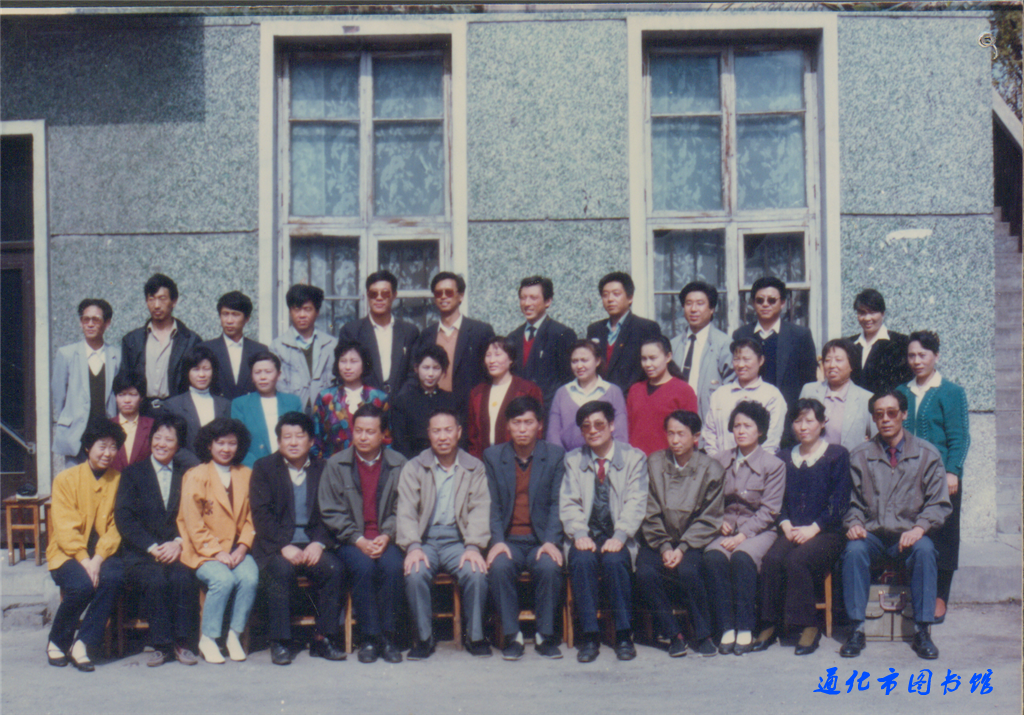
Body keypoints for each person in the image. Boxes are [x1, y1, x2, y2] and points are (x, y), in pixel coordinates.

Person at [839, 390, 950, 661]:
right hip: (873, 535)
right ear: (874, 419)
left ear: (904, 414)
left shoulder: (926, 454)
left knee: (925, 551)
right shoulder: (860, 455)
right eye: (879, 414)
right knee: (853, 550)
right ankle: (856, 629)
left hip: (909, 535)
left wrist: (919, 528)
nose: (885, 419)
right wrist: (854, 523)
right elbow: (850, 502)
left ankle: (922, 631)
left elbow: (938, 503)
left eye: (891, 413)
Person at [753, 399, 850, 656]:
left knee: (797, 561)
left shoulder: (837, 455)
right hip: (791, 528)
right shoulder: (784, 457)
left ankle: (809, 626)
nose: (803, 427)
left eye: (809, 421)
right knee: (772, 560)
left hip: (827, 532)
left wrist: (813, 528)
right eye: (797, 421)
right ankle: (769, 624)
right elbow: (776, 498)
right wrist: (785, 524)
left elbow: (839, 502)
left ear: (822, 423)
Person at [250, 411, 345, 665]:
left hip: (313, 541)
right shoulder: (264, 468)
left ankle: (323, 638)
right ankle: (280, 641)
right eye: (287, 437)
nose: (293, 442)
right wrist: (284, 546)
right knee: (280, 571)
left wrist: (319, 542)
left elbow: (332, 511)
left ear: (311, 441)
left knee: (334, 569)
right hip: (277, 544)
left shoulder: (323, 468)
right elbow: (261, 514)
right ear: (279, 441)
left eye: (299, 436)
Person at [396, 408, 492, 659]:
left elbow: (480, 509)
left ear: (458, 432)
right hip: (424, 539)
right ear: (428, 434)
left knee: (476, 572)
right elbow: (406, 510)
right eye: (436, 431)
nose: (442, 437)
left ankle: (475, 636)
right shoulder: (414, 467)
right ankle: (423, 639)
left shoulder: (474, 467)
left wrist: (473, 546)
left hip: (458, 540)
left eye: (448, 430)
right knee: (415, 573)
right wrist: (413, 546)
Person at [560, 401, 648, 663]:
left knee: (614, 561)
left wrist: (620, 535)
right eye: (586, 426)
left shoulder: (634, 458)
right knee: (582, 560)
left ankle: (623, 634)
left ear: (612, 426)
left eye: (599, 424)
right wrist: (579, 533)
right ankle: (589, 636)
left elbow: (636, 501)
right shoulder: (573, 460)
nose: (593, 430)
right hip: (585, 534)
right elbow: (569, 502)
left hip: (620, 534)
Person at [319, 404, 407, 664]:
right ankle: (369, 637)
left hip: (386, 537)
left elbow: (404, 507)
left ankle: (388, 637)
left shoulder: (399, 464)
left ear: (383, 435)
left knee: (393, 566)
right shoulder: (336, 464)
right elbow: (330, 510)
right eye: (358, 431)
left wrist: (387, 535)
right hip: (350, 539)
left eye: (370, 432)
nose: (363, 437)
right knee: (363, 567)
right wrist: (358, 539)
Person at [114, 413, 201, 667]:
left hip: (176, 548)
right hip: (142, 551)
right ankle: (161, 645)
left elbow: (192, 515)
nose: (162, 444)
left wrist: (178, 543)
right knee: (155, 580)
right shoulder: (133, 473)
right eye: (157, 438)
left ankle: (182, 643)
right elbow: (124, 517)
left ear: (179, 445)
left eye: (169, 439)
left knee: (183, 577)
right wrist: (151, 547)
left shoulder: (187, 474)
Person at [484, 396, 566, 660]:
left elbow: (557, 504)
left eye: (528, 423)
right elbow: (492, 505)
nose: (522, 429)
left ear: (539, 425)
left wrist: (551, 541)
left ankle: (545, 635)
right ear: (507, 425)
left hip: (540, 539)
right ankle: (512, 636)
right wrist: (497, 541)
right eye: (516, 422)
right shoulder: (493, 456)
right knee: (499, 566)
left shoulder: (554, 455)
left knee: (549, 567)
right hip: (509, 540)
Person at [637, 410, 724, 658]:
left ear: (696, 437)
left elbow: (710, 516)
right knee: (644, 573)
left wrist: (683, 547)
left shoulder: (711, 468)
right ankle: (673, 634)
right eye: (671, 434)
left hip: (692, 540)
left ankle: (704, 634)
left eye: (681, 434)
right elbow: (649, 510)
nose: (675, 440)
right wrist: (664, 546)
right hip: (658, 539)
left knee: (689, 571)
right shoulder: (654, 463)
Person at [897, 330, 970, 623]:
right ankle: (912, 592)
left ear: (936, 356)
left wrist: (953, 471)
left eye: (923, 355)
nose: (916, 361)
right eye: (912, 356)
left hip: (942, 477)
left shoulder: (951, 392)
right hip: (907, 476)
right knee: (913, 531)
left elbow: (960, 438)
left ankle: (940, 595)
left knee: (944, 535)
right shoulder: (901, 392)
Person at [702, 401, 785, 656]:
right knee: (713, 557)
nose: (740, 431)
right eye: (736, 425)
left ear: (760, 430)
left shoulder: (773, 465)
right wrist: (718, 521)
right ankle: (726, 627)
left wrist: (742, 535)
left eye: (747, 426)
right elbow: (708, 499)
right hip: (724, 528)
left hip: (759, 530)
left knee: (741, 558)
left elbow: (770, 510)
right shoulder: (719, 460)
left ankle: (746, 627)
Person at [45, 420, 127, 672]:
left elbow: (117, 526)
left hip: (104, 553)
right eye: (102, 446)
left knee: (113, 578)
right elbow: (64, 527)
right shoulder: (65, 479)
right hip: (68, 553)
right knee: (81, 585)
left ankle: (82, 643)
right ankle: (57, 641)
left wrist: (98, 559)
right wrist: (84, 559)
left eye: (113, 447)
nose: (107, 453)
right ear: (88, 447)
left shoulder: (119, 480)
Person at [177, 418, 258, 664]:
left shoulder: (246, 474)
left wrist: (243, 547)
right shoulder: (196, 475)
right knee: (222, 580)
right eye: (220, 443)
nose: (226, 449)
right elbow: (192, 522)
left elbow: (252, 518)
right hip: (203, 550)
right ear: (209, 445)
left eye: (232, 443)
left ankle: (234, 635)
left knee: (250, 578)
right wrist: (216, 552)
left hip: (236, 549)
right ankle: (209, 638)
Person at [52, 298, 122, 466]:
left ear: (107, 323)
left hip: (106, 433)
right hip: (76, 434)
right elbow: (58, 397)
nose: (90, 324)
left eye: (95, 320)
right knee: (75, 479)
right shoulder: (66, 354)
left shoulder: (116, 356)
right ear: (81, 322)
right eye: (86, 319)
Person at [411, 272, 495, 410]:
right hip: (433, 408)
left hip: (470, 409)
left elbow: (490, 374)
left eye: (449, 292)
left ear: (461, 296)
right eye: (438, 293)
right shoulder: (426, 335)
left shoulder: (480, 332)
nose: (443, 296)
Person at [119, 273, 202, 410]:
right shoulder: (132, 340)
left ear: (174, 301)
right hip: (142, 410)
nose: (156, 305)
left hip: (177, 409)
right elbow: (124, 381)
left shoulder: (191, 340)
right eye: (151, 299)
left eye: (162, 299)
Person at [731, 276, 817, 409]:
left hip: (788, 412)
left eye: (772, 300)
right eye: (760, 300)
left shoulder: (800, 335)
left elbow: (809, 382)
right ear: (753, 303)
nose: (765, 304)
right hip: (749, 411)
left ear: (782, 303)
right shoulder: (741, 334)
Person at [337, 270, 421, 396]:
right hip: (364, 402)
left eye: (385, 293)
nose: (379, 298)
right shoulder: (351, 331)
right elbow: (344, 372)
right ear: (367, 296)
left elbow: (414, 374)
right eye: (373, 294)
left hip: (401, 403)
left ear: (394, 295)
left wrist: (399, 401)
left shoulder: (409, 332)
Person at [506, 276, 577, 415]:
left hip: (549, 412)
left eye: (533, 298)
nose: (527, 303)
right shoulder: (513, 337)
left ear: (548, 301)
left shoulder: (561, 334)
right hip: (519, 414)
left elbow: (568, 380)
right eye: (523, 298)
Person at [702, 339, 786, 455]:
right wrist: (718, 462)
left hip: (759, 464)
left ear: (761, 360)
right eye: (736, 359)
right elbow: (709, 435)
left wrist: (753, 463)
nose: (741, 365)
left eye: (746, 359)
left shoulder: (772, 395)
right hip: (721, 463)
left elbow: (772, 441)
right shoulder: (720, 394)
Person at [465, 336, 544, 459]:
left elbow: (537, 431)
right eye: (488, 355)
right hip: (484, 462)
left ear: (510, 359)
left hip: (518, 461)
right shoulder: (477, 393)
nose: (492, 360)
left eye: (497, 355)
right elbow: (473, 436)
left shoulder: (527, 390)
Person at [585, 272, 663, 395]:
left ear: (630, 298)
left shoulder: (645, 328)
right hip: (599, 397)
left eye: (616, 294)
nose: (610, 299)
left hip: (632, 397)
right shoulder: (595, 329)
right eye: (605, 295)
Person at [546, 340, 629, 452]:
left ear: (597, 361)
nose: (579, 366)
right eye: (574, 361)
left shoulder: (613, 392)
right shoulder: (562, 393)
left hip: (605, 458)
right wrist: (562, 460)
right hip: (568, 459)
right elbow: (553, 435)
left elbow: (620, 434)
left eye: (584, 360)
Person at [311, 341, 388, 459]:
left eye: (353, 361)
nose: (347, 367)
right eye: (343, 361)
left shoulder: (379, 398)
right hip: (333, 465)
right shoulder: (326, 397)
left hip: (370, 464)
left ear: (364, 364)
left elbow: (387, 440)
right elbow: (316, 440)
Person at [669, 282, 735, 419]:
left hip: (709, 420)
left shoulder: (724, 344)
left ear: (712, 309)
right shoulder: (673, 345)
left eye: (700, 303)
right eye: (688, 303)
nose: (693, 309)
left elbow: (731, 388)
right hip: (676, 420)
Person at [270, 284, 338, 413]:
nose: (302, 315)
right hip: (292, 412)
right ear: (290, 311)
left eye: (307, 309)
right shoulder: (277, 346)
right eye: (296, 309)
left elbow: (335, 380)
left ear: (317, 312)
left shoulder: (331, 344)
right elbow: (279, 383)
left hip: (326, 410)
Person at [799, 338, 874, 452]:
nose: (832, 365)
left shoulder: (866, 398)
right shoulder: (809, 390)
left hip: (850, 461)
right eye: (827, 360)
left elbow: (876, 440)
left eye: (838, 360)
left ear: (851, 365)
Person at [626, 336, 698, 455]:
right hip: (636, 461)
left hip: (667, 461)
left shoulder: (683, 390)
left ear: (668, 357)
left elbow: (691, 434)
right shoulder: (635, 390)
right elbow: (628, 428)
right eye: (644, 359)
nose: (647, 364)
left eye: (653, 358)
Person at [232, 352, 303, 467]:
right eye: (257, 372)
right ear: (252, 376)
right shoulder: (240, 404)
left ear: (278, 374)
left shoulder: (293, 402)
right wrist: (258, 468)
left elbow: (301, 438)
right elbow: (238, 443)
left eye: (268, 372)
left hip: (289, 467)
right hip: (253, 468)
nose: (263, 377)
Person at [390, 344, 459, 459]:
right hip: (413, 462)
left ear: (443, 371)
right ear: (416, 368)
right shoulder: (403, 401)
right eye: (426, 368)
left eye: (436, 368)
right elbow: (400, 442)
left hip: (447, 460)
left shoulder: (452, 400)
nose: (430, 374)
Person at [161, 345, 232, 453]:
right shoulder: (172, 405)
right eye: (196, 369)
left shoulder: (226, 405)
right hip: (187, 463)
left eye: (206, 369)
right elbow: (171, 445)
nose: (201, 375)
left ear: (213, 371)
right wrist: (197, 463)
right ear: (187, 372)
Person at [200, 291, 269, 401]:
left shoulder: (259, 350)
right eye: (225, 314)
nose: (229, 321)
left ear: (247, 319)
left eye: (235, 315)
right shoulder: (205, 349)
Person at [847, 288, 913, 395]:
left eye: (872, 312)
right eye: (862, 313)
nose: (867, 318)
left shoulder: (901, 343)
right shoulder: (849, 344)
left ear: (882, 313)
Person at [110, 372, 154, 473]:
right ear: (115, 397)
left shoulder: (152, 426)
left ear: (141, 398)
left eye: (133, 395)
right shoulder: (107, 426)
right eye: (121, 395)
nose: (127, 400)